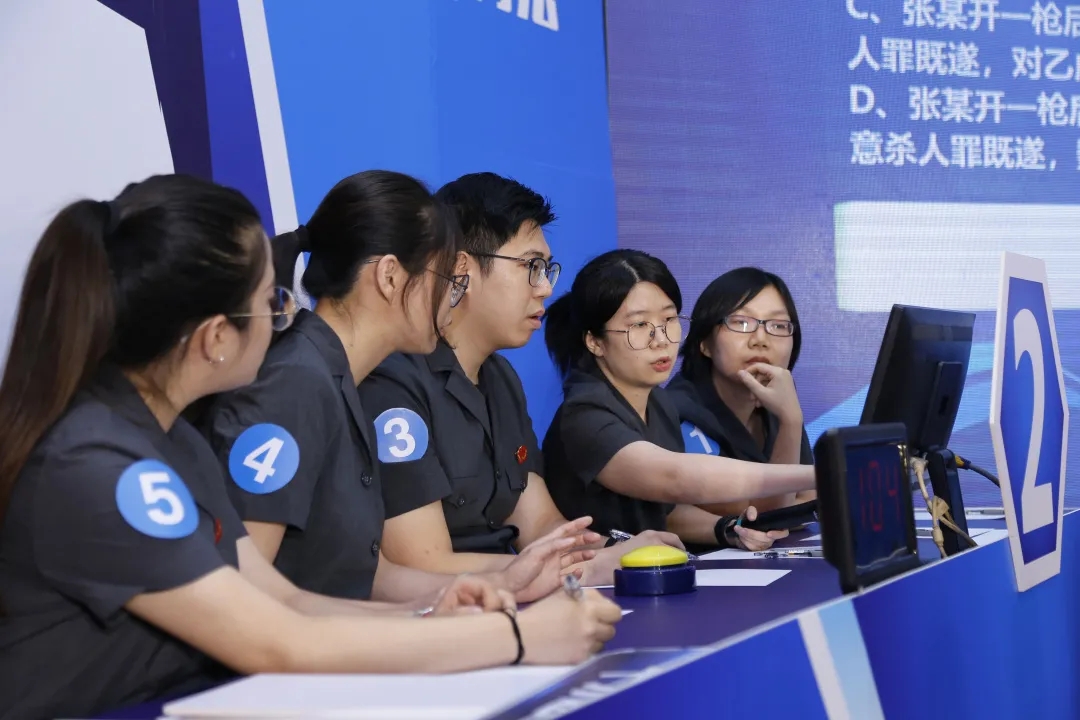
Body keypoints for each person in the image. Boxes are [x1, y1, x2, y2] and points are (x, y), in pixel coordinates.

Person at [0, 175, 622, 720]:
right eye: (270, 304)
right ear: (215, 338)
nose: (284, 320)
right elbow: (275, 640)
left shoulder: (170, 439)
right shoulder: (99, 463)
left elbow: (280, 600)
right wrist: (516, 637)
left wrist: (441, 613)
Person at [201, 171, 595, 604]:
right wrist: (503, 628)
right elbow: (241, 598)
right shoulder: (297, 383)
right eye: (446, 278)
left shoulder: (340, 381)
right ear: (390, 276)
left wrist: (506, 585)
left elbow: (371, 576)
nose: (452, 296)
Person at [358, 173, 681, 587]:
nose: (545, 288)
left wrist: (614, 551)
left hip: (516, 593)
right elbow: (424, 564)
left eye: (546, 269)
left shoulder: (501, 378)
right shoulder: (394, 381)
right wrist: (574, 569)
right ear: (461, 269)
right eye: (531, 266)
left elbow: (539, 522)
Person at [541, 249, 817, 551]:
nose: (661, 339)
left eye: (669, 319)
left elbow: (668, 511)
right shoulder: (584, 413)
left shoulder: (658, 403)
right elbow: (674, 478)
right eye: (639, 325)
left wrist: (726, 529)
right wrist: (824, 475)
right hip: (591, 575)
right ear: (595, 341)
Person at [666, 267, 816, 518]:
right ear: (704, 343)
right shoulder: (676, 411)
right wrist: (791, 421)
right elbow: (766, 515)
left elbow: (810, 498)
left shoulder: (779, 399)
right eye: (741, 323)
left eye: (778, 326)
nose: (760, 339)